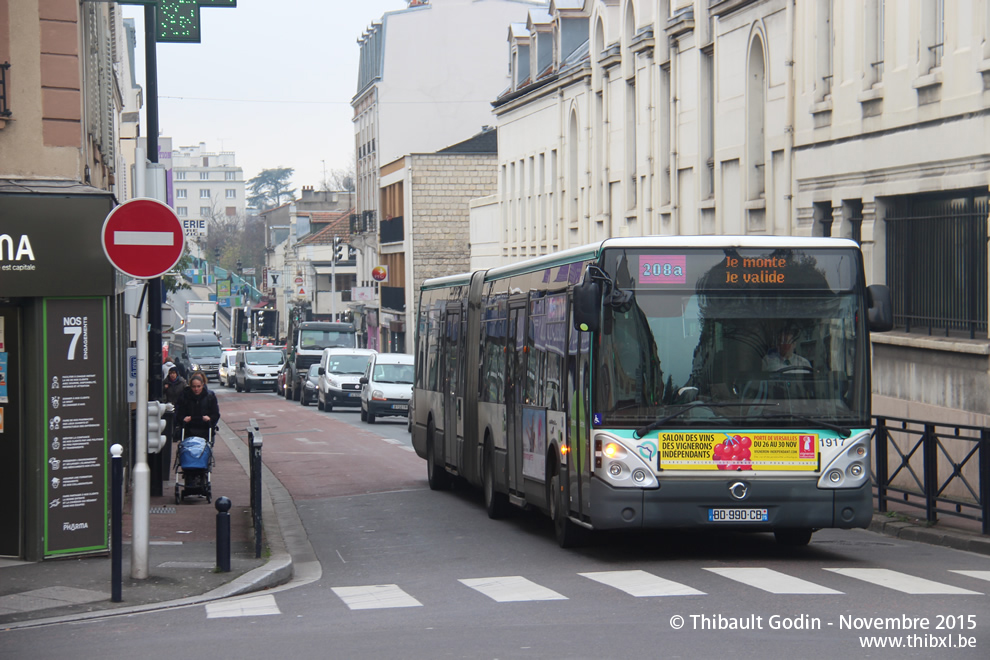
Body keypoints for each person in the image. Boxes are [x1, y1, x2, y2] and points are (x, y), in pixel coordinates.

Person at [175, 372, 220, 440]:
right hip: (188, 431)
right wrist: (183, 419)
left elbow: (215, 413)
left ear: (202, 385)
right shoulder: (185, 396)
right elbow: (178, 412)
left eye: (198, 386)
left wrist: (210, 419)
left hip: (205, 431)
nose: (196, 389)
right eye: (194, 387)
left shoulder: (210, 397)